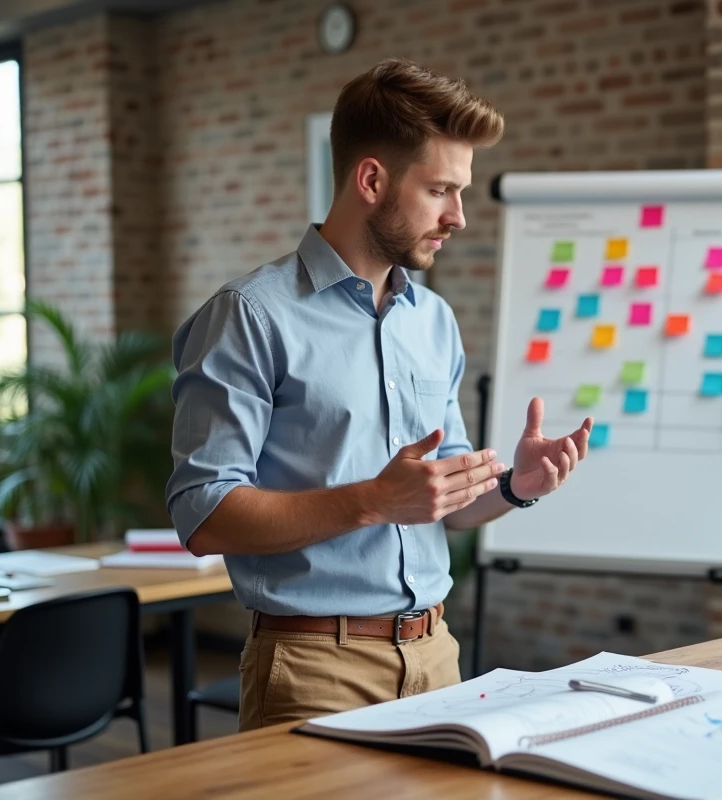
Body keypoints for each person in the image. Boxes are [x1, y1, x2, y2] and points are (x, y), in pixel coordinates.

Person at [165, 58, 594, 731]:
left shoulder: (434, 321)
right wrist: (372, 500)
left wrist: (515, 486)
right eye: (441, 190)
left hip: (437, 660)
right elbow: (203, 513)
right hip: (311, 667)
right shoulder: (249, 315)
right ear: (371, 179)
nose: (457, 216)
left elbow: (442, 506)